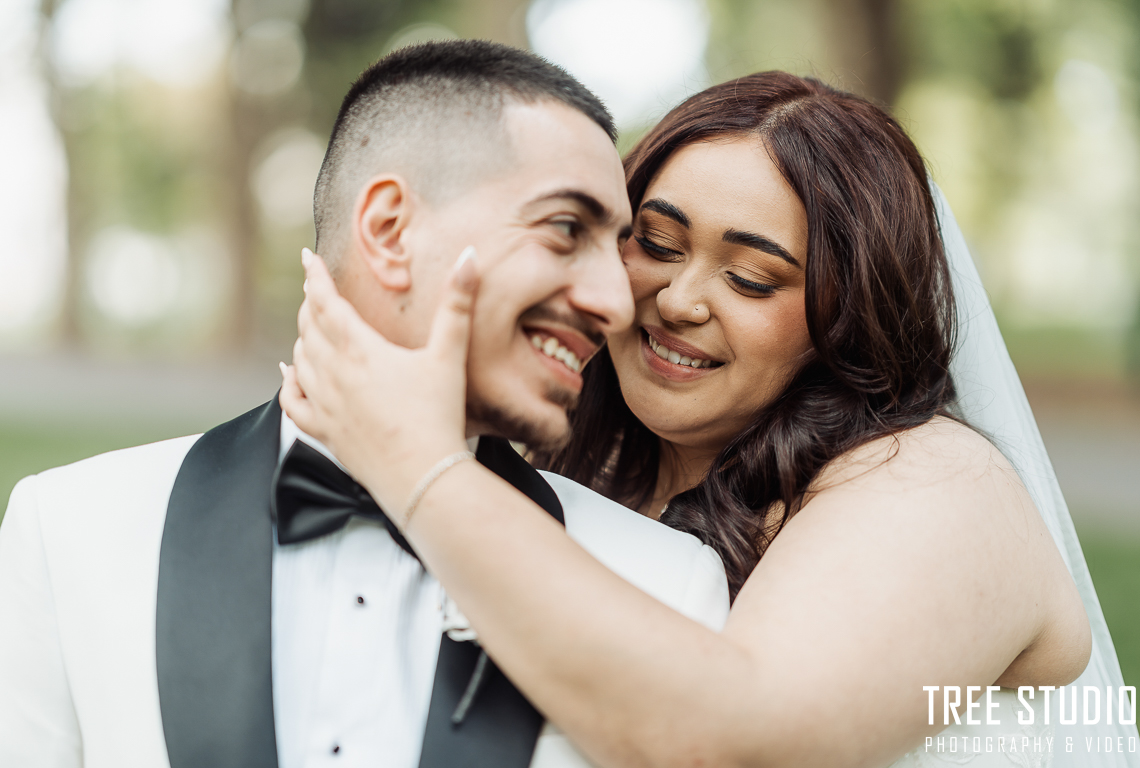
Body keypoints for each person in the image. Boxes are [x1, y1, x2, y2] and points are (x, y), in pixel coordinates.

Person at [281, 71, 1140, 768]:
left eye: (751, 279)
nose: (678, 300)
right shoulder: (586, 470)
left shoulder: (942, 487)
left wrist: (420, 469)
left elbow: (734, 746)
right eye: (655, 244)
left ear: (848, 318)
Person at [0, 41, 731, 768]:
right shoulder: (68, 530)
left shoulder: (665, 584)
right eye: (567, 229)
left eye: (617, 250)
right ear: (389, 230)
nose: (615, 304)